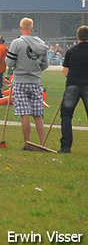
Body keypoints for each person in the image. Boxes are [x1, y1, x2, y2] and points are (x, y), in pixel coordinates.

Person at [5, 17, 49, 148]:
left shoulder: (16, 43)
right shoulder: (41, 43)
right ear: (32, 28)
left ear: (20, 28)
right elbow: (45, 64)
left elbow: (9, 63)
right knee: (37, 114)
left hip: (20, 81)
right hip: (35, 81)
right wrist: (35, 69)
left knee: (25, 113)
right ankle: (42, 143)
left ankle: (27, 143)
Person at [59, 26, 88, 153]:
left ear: (77, 37)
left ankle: (66, 147)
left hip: (72, 85)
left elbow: (66, 72)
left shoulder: (71, 51)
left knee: (66, 116)